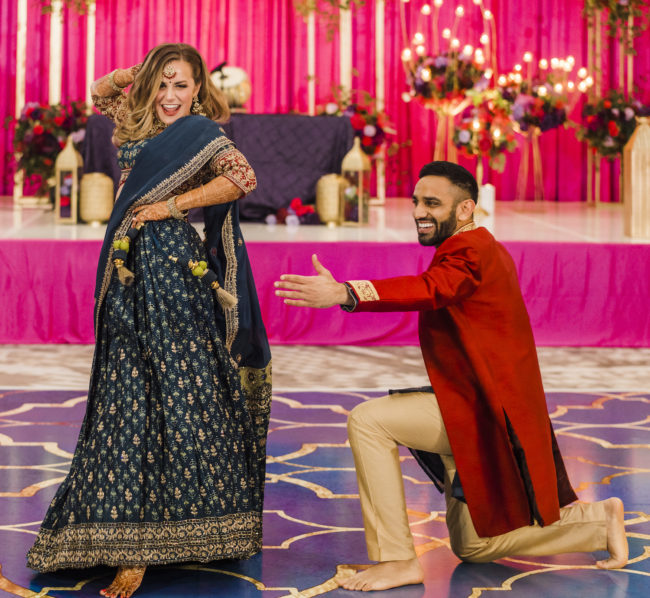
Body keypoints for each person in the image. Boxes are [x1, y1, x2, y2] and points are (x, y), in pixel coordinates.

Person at [274, 161, 627, 592]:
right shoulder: (472, 247)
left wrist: (346, 292)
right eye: (417, 201)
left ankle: (398, 560)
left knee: (369, 420)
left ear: (464, 210)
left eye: (432, 203)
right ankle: (597, 523)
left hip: (483, 412)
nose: (419, 211)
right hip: (474, 402)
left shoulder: (471, 250)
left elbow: (430, 288)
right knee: (474, 547)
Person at [26, 43, 271, 598]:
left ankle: (164, 543)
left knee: (179, 388)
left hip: (175, 273)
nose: (169, 96)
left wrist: (171, 206)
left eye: (181, 84)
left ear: (198, 89)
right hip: (126, 267)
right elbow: (100, 91)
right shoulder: (134, 124)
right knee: (125, 391)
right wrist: (139, 72)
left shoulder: (203, 132)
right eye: (162, 84)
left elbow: (243, 178)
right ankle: (124, 535)